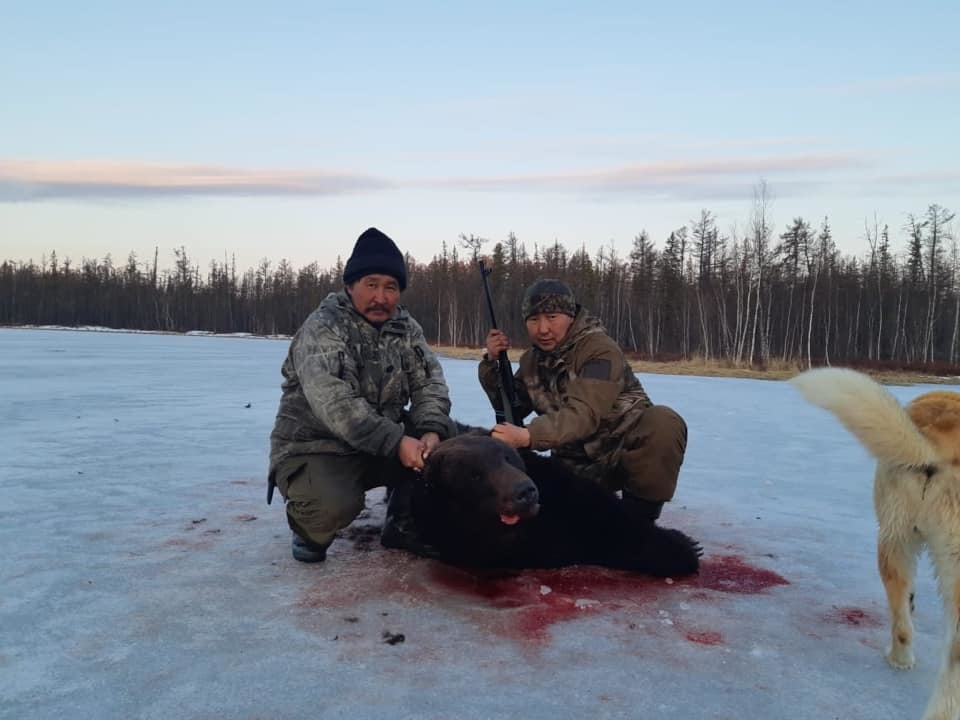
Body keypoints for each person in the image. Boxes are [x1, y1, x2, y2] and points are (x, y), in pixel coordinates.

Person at [268, 227, 455, 562]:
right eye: (371, 285)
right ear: (350, 285)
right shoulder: (323, 327)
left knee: (448, 448)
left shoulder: (406, 328)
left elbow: (430, 384)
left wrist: (430, 430)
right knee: (331, 507)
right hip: (318, 447)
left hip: (381, 442)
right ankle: (307, 527)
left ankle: (403, 520)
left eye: (390, 287)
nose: (381, 297)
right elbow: (338, 407)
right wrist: (398, 444)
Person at [479, 278, 687, 524]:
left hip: (620, 454)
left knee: (663, 423)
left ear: (570, 316)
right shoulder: (531, 362)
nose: (543, 328)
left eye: (552, 317)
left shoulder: (599, 350)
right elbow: (510, 407)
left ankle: (639, 519)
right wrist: (492, 363)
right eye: (534, 320)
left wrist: (527, 436)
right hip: (574, 462)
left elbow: (584, 414)